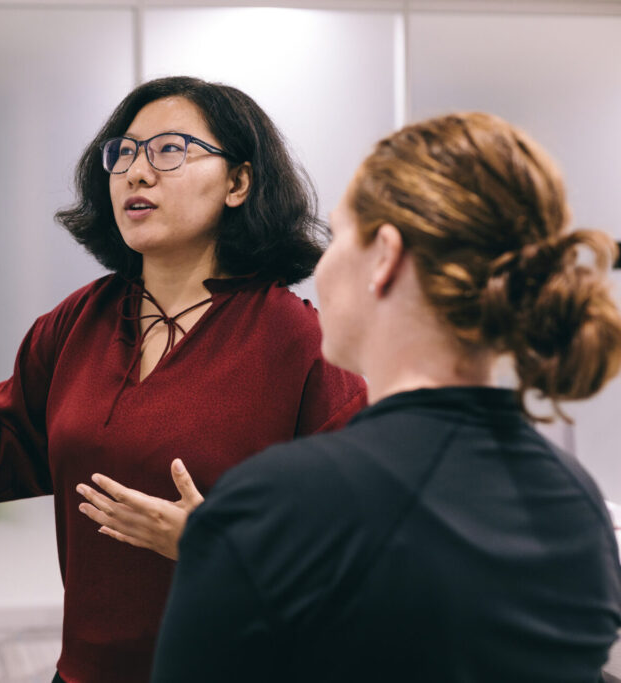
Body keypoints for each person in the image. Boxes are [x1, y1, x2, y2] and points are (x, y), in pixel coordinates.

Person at [0, 76, 367, 683]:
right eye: (123, 152)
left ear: (238, 182)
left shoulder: (300, 342)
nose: (136, 172)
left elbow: (358, 551)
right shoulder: (80, 320)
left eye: (170, 150)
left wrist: (215, 545)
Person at [151, 112, 621, 682]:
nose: (322, 269)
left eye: (338, 235)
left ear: (385, 257)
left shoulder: (279, 505)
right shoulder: (574, 501)